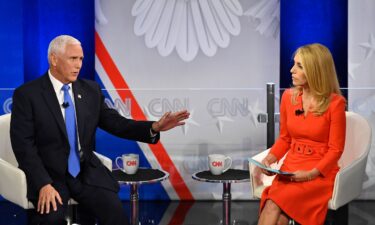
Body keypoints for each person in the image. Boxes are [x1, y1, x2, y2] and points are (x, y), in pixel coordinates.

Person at [10, 35, 190, 225]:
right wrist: (43, 184)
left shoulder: (90, 90)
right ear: (54, 59)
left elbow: (117, 123)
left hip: (86, 174)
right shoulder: (27, 95)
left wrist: (154, 127)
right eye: (73, 59)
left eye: (81, 59)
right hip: (50, 176)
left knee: (116, 215)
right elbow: (24, 146)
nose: (78, 65)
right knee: (50, 220)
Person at [257, 43, 346, 225]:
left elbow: (336, 150)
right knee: (279, 216)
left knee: (273, 204)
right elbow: (285, 139)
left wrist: (310, 174)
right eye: (294, 64)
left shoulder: (335, 103)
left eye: (299, 66)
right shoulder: (288, 97)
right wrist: (271, 158)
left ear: (315, 70)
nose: (291, 70)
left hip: (319, 172)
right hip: (291, 168)